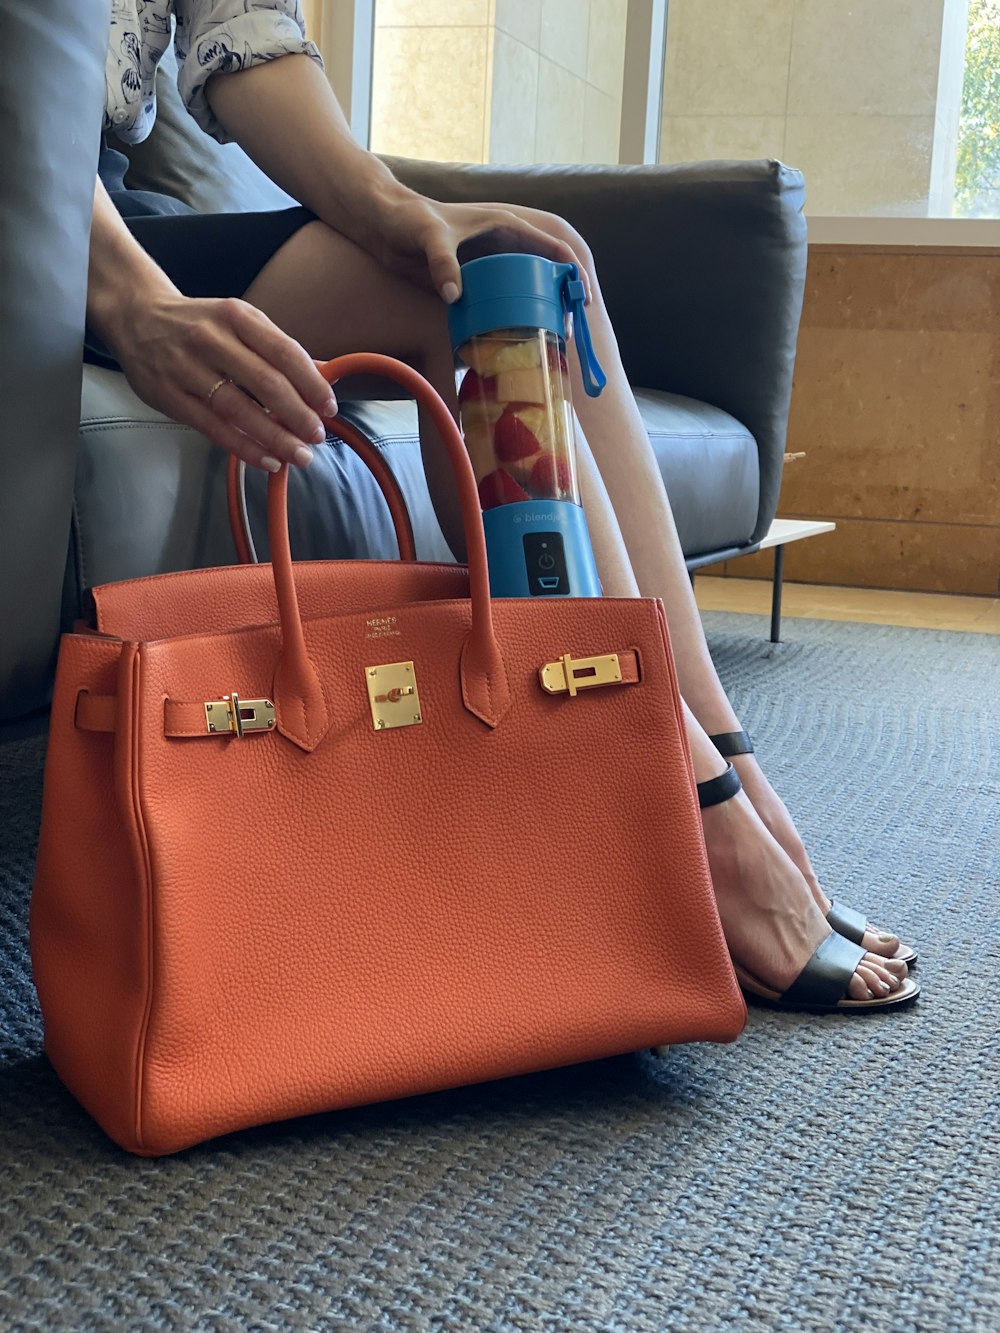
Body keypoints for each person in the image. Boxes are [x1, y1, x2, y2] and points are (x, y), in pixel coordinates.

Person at [88, 1, 918, 1012]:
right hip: (42, 223)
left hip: (123, 207)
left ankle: (722, 766)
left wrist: (394, 207)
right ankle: (684, 806)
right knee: (471, 290)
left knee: (530, 263)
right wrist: (131, 299)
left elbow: (245, 40)